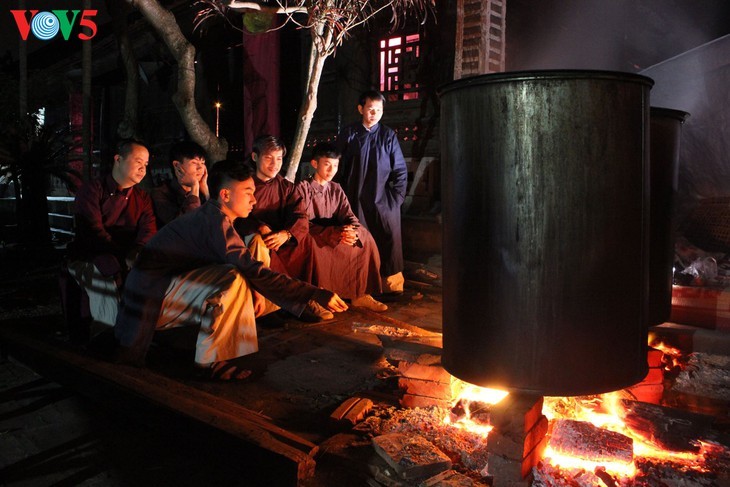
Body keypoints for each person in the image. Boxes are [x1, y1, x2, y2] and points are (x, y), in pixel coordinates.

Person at [113, 160, 348, 379]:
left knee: (244, 267)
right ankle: (208, 362)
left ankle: (209, 346)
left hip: (163, 290)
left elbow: (246, 264)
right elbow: (253, 270)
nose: (254, 201)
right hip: (149, 298)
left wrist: (260, 290)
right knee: (233, 278)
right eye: (248, 193)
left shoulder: (217, 217)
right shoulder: (214, 221)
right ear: (225, 195)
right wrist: (313, 293)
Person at [62, 139, 156, 339]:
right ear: (118, 159)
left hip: (128, 258)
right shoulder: (92, 191)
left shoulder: (142, 198)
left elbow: (148, 230)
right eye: (138, 161)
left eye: (146, 164)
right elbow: (93, 231)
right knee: (105, 279)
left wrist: (138, 250)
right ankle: (107, 334)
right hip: (88, 256)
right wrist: (124, 256)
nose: (143, 168)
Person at [234, 135, 328, 319]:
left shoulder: (286, 187)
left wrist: (286, 234)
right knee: (258, 243)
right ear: (255, 157)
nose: (274, 164)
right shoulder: (244, 184)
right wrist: (259, 226)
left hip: (282, 239)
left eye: (279, 158)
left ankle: (305, 300)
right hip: (255, 238)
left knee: (306, 242)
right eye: (268, 158)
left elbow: (300, 215)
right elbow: (235, 216)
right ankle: (268, 310)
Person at [297, 143, 387, 312]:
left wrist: (350, 230)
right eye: (327, 164)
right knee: (311, 245)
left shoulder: (336, 189)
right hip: (316, 234)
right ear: (315, 164)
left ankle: (360, 294)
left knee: (365, 237)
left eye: (335, 165)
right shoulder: (302, 188)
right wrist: (332, 232)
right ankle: (317, 298)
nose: (332, 170)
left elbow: (349, 215)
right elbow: (302, 223)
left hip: (337, 232)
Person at [337, 90, 408, 295]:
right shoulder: (349, 133)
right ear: (361, 109)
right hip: (355, 199)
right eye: (370, 109)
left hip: (383, 201)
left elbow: (400, 171)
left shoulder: (388, 135)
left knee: (389, 240)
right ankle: (360, 288)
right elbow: (337, 167)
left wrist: (396, 199)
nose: (374, 113)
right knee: (358, 242)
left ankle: (391, 287)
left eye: (379, 110)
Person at [151, 140, 209, 227]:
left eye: (202, 163)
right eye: (194, 162)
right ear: (177, 165)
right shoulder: (161, 193)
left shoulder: (203, 190)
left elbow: (215, 223)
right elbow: (185, 225)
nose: (200, 168)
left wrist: (206, 194)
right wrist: (194, 187)